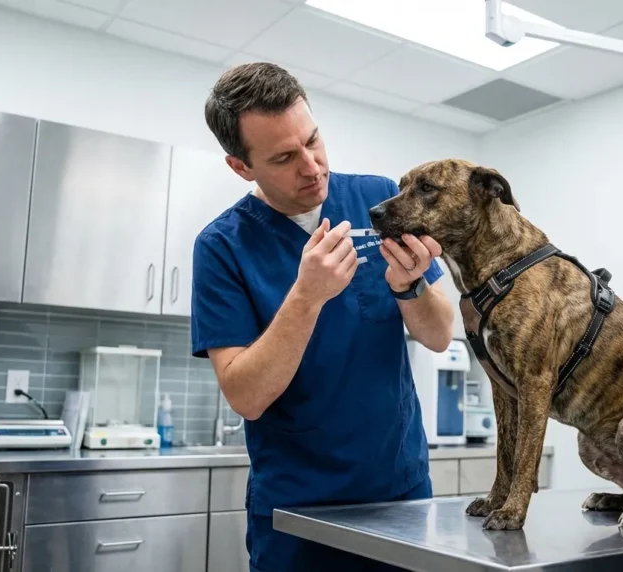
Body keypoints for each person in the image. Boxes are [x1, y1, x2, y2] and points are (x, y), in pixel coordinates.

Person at [189, 62, 455, 572]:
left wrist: (410, 286)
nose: (311, 166)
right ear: (241, 167)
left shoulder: (378, 200)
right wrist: (306, 297)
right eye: (285, 157)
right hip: (297, 513)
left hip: (401, 494)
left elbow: (439, 334)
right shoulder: (222, 246)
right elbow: (246, 395)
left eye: (313, 141)